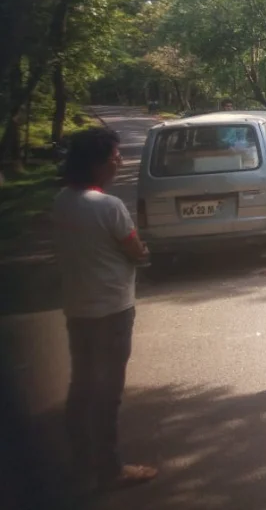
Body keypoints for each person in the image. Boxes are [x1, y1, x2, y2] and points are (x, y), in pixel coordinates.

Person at [52, 128, 157, 491]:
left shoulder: (62, 200)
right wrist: (140, 253)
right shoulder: (107, 206)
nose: (120, 161)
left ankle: (79, 462)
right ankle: (110, 468)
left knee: (81, 385)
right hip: (112, 309)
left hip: (77, 308)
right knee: (108, 391)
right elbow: (136, 250)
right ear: (97, 164)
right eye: (115, 156)